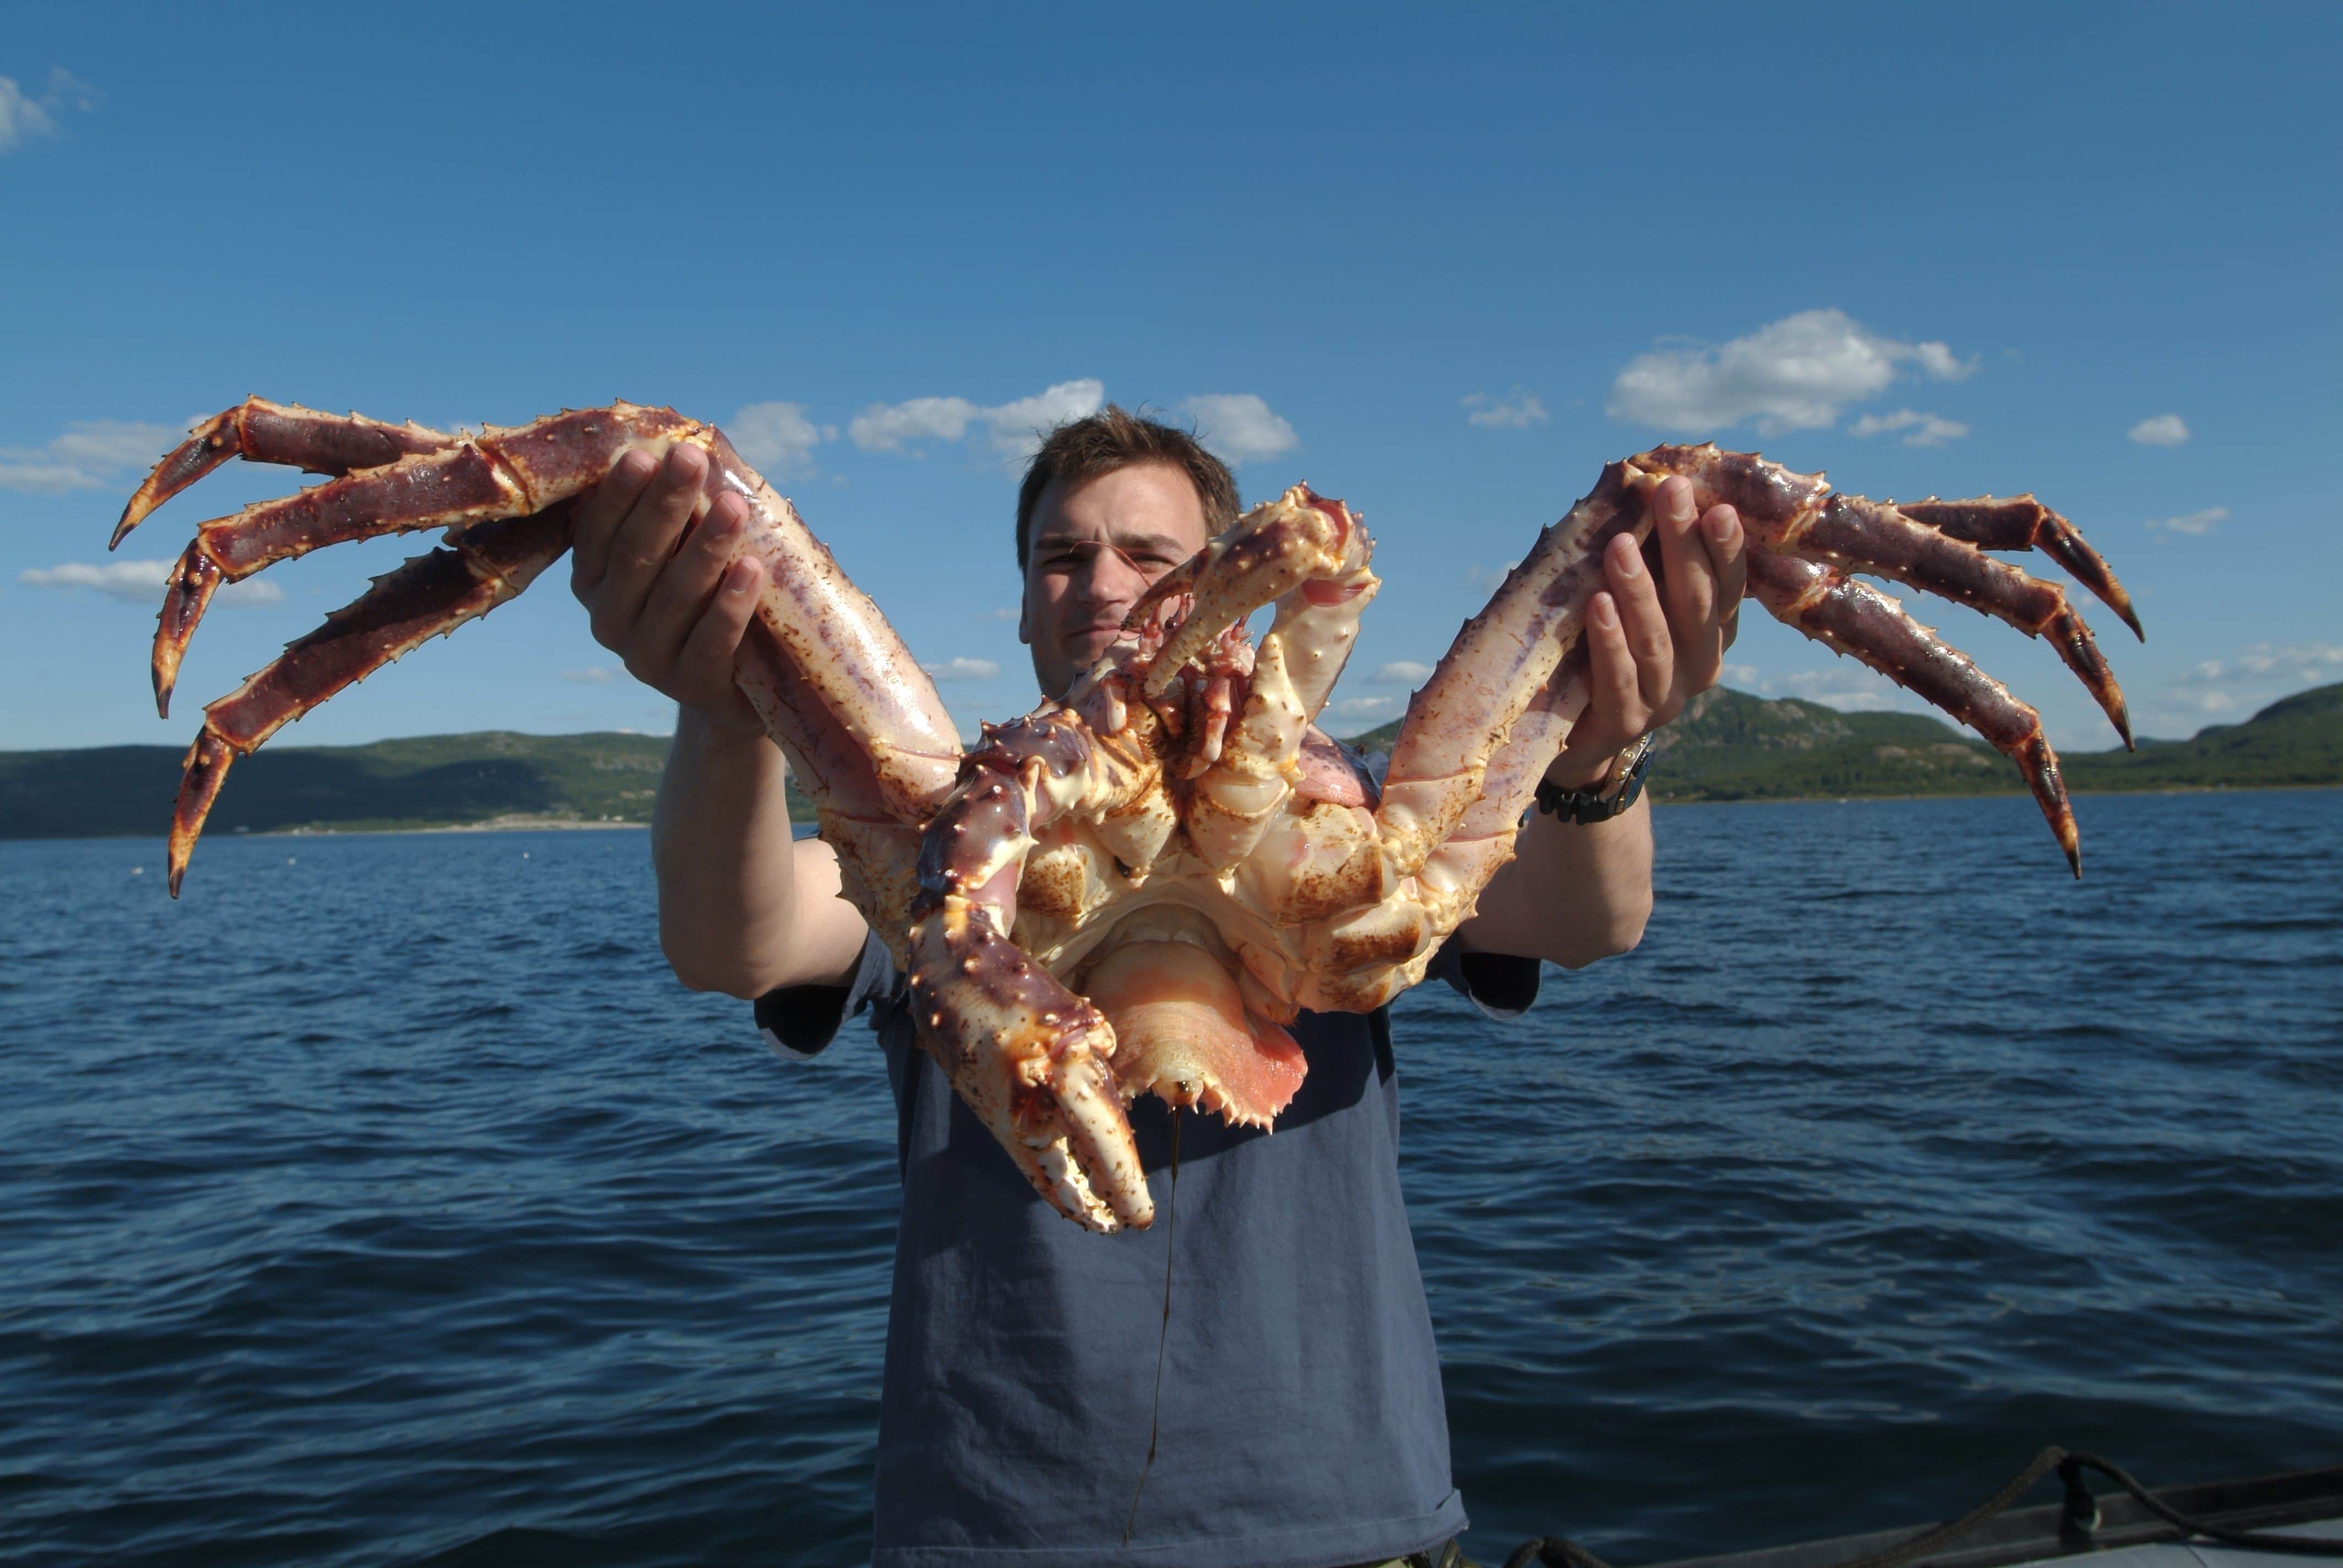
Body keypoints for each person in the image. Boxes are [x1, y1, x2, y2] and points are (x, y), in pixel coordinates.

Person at [569, 407, 1745, 1568]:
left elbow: (1588, 920)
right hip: (994, 1523)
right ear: (1027, 603)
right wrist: (725, 720)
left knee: (1666, 485)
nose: (1102, 584)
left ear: (1230, 577)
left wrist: (1593, 759)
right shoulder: (940, 837)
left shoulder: (1364, 821)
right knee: (661, 447)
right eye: (1062, 557)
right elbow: (740, 941)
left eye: (1151, 556)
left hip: (1347, 1511)